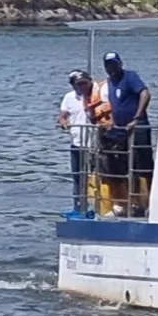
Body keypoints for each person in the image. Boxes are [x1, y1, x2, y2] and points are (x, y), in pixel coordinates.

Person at [99, 52, 152, 217]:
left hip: (138, 127)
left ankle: (150, 201)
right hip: (120, 129)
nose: (112, 68)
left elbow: (145, 93)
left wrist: (136, 118)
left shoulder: (130, 77)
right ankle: (131, 203)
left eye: (114, 64)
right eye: (108, 65)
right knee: (124, 166)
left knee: (143, 165)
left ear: (120, 63)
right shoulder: (109, 82)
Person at [57, 70, 97, 215]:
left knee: (94, 176)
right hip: (77, 142)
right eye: (76, 84)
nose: (80, 87)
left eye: (83, 83)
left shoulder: (96, 95)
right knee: (78, 177)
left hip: (95, 143)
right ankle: (79, 207)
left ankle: (96, 206)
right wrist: (63, 122)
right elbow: (63, 115)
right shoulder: (69, 97)